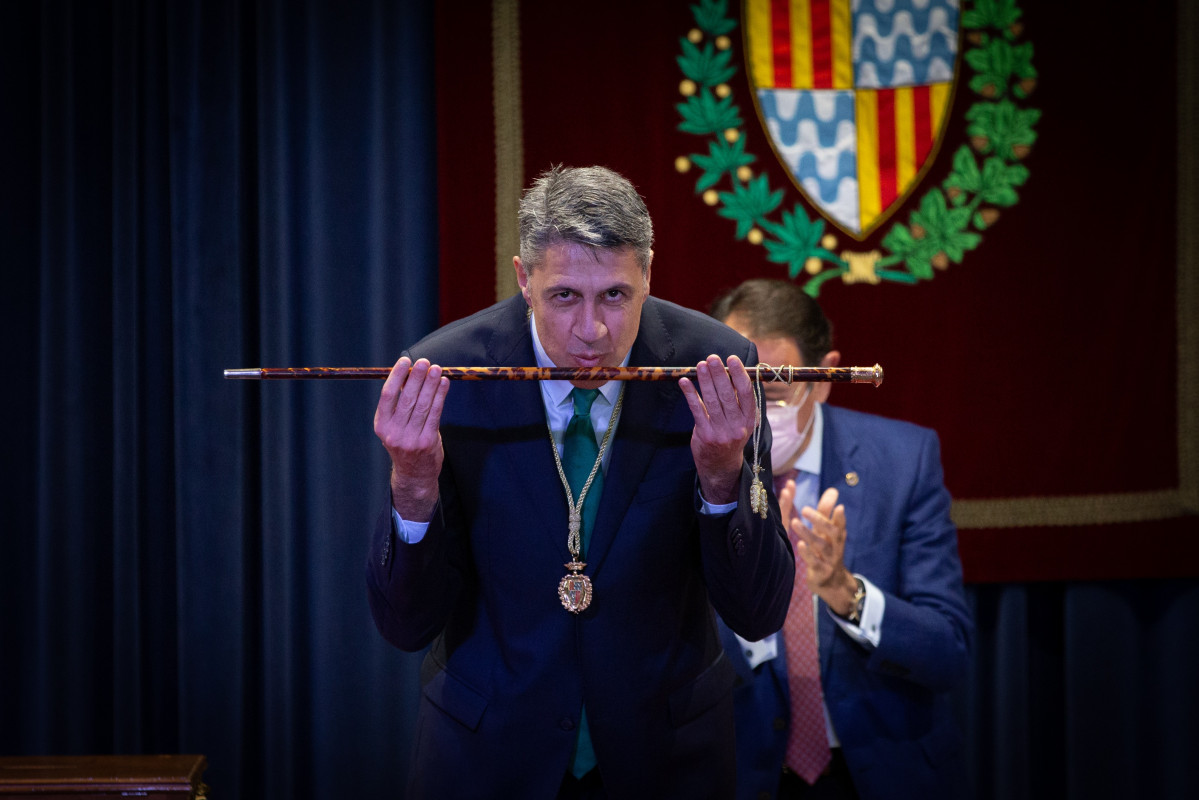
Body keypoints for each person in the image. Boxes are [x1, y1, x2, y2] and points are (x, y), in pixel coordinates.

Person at [366, 166, 794, 798]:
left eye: (616, 295)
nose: (592, 331)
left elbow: (758, 612)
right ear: (523, 279)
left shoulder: (715, 365)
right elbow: (404, 627)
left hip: (667, 759)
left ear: (648, 274)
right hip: (487, 757)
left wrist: (724, 476)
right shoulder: (449, 374)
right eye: (565, 296)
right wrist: (413, 485)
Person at [709, 279, 973, 800]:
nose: (756, 415)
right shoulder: (689, 469)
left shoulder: (903, 461)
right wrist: (750, 600)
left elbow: (948, 654)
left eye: (776, 392)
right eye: (743, 390)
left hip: (884, 771)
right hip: (740, 773)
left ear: (825, 377)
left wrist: (845, 593)